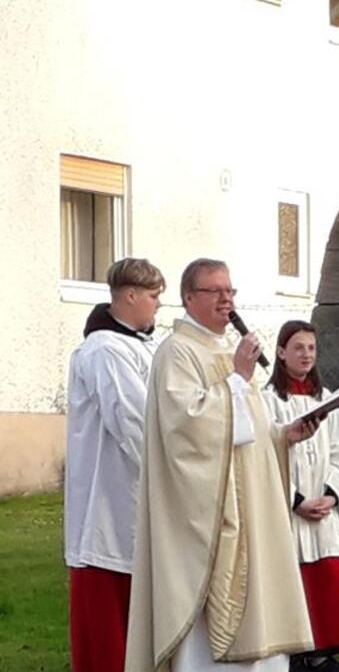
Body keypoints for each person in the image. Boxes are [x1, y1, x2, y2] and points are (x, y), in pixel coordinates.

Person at [124, 258, 318, 672]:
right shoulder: (177, 353)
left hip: (249, 512)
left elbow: (247, 436)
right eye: (215, 291)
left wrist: (283, 437)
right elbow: (188, 429)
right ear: (189, 298)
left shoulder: (229, 354)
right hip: (208, 517)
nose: (226, 299)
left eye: (230, 291)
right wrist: (236, 378)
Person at [65, 258, 165, 672]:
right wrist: (173, 477)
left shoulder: (140, 345)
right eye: (154, 297)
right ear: (130, 295)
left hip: (136, 498)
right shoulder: (106, 349)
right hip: (110, 500)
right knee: (109, 632)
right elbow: (134, 422)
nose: (159, 306)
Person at [262, 321, 339, 671]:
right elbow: (263, 457)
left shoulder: (326, 399)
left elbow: (338, 454)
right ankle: (293, 652)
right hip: (289, 510)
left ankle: (321, 650)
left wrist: (331, 497)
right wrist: (297, 500)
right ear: (281, 352)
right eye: (299, 347)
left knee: (325, 581)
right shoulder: (267, 401)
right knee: (291, 579)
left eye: (312, 348)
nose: (306, 354)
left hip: (322, 508)